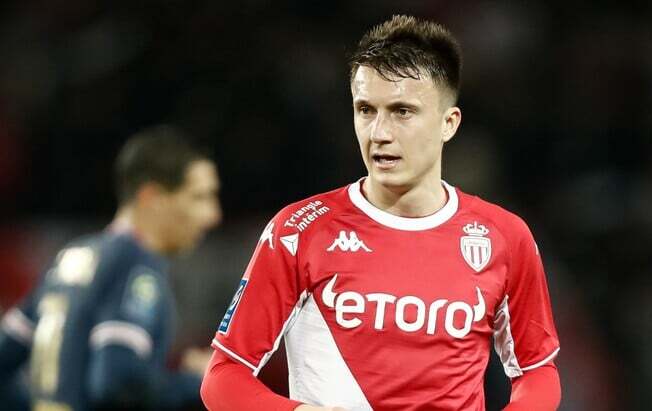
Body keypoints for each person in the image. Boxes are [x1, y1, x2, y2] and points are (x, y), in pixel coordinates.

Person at [201, 15, 560, 411]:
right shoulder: (299, 231)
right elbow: (223, 377)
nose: (379, 133)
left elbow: (537, 371)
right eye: (366, 110)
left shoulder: (503, 237)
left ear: (448, 123)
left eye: (402, 111)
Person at [0, 125, 222, 411]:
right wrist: (196, 382)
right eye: (199, 197)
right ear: (152, 198)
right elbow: (117, 383)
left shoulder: (71, 257)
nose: (213, 215)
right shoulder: (136, 265)